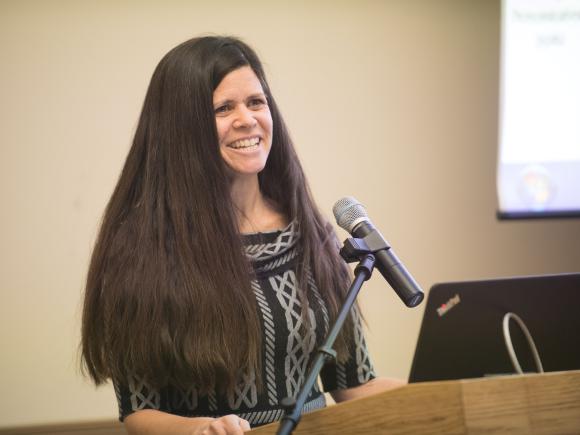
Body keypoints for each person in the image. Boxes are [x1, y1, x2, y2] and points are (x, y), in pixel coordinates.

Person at [81, 35, 403, 435]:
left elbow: (356, 386)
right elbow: (139, 411)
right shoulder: (142, 250)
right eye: (223, 108)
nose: (248, 119)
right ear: (182, 128)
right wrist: (201, 429)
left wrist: (449, 383)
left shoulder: (310, 232)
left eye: (256, 102)